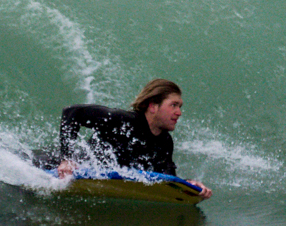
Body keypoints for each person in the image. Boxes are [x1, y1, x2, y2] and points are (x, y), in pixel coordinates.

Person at [57, 79, 212, 199]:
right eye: (173, 105)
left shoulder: (164, 141)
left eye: (180, 106)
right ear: (152, 106)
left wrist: (189, 185)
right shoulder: (122, 121)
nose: (179, 112)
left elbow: (167, 177)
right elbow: (72, 113)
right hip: (62, 166)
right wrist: (67, 159)